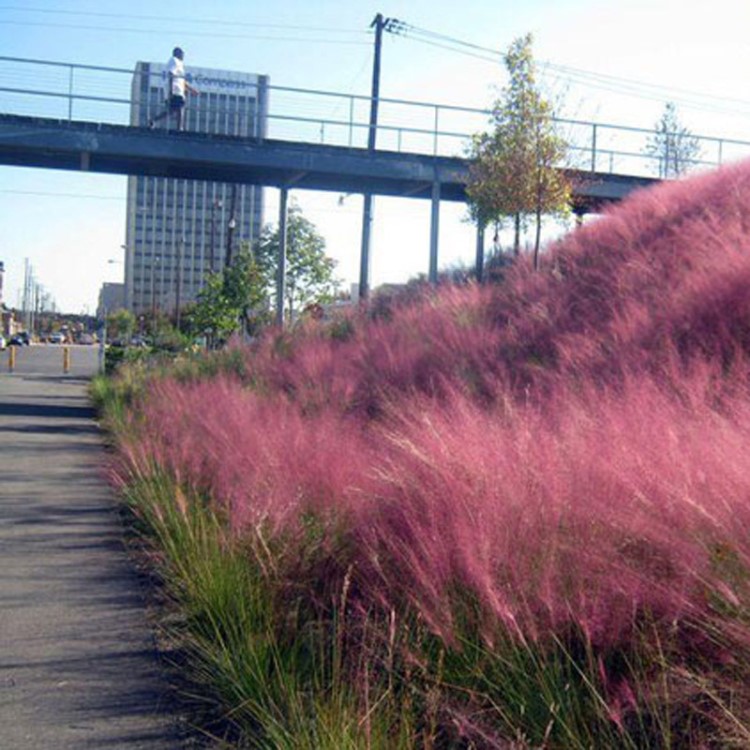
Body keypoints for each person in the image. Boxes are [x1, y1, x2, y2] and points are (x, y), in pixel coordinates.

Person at [149, 47, 199, 132]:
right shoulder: (174, 60)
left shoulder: (180, 65)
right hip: (175, 89)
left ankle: (154, 120)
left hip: (177, 89)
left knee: (171, 110)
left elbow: (182, 81)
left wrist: (191, 90)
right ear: (178, 53)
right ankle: (179, 128)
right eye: (182, 54)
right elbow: (171, 74)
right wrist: (170, 91)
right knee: (180, 107)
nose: (183, 56)